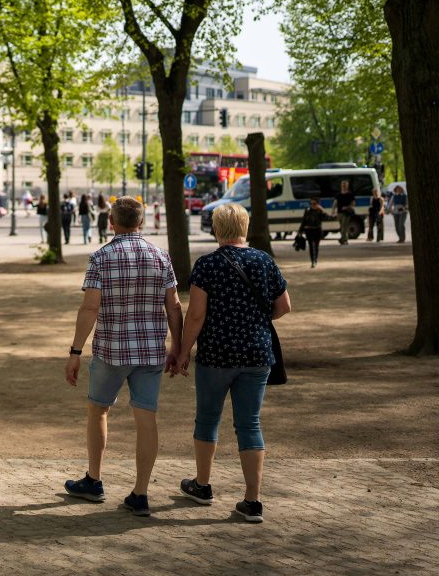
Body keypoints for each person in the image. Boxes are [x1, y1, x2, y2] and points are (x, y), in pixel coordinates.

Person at [64, 196, 183, 517]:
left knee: (98, 410)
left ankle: (94, 479)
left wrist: (75, 351)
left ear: (112, 223)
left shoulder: (101, 257)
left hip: (112, 351)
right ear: (141, 223)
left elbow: (90, 307)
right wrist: (179, 348)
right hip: (150, 351)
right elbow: (173, 305)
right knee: (146, 417)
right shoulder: (160, 256)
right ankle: (141, 493)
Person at [176, 202, 290, 524]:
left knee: (207, 420)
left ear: (216, 228)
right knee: (249, 423)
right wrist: (256, 320)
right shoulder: (264, 261)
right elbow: (284, 306)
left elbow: (196, 315)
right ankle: (252, 501)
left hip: (216, 354)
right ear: (245, 227)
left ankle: (202, 485)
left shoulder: (207, 265)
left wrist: (184, 352)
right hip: (256, 355)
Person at [296, 198, 325, 268]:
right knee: (311, 246)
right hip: (309, 231)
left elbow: (326, 217)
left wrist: (322, 210)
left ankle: (315, 259)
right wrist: (300, 231)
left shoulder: (319, 211)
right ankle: (313, 261)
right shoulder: (307, 210)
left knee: (316, 246)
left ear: (317, 204)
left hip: (317, 230)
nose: (312, 205)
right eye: (311, 203)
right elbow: (303, 221)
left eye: (314, 204)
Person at [333, 180, 355, 245]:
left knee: (344, 227)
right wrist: (333, 211)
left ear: (347, 186)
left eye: (345, 185)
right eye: (342, 185)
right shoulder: (338, 194)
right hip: (339, 213)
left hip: (346, 213)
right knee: (341, 227)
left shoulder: (350, 194)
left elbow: (353, 204)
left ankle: (343, 239)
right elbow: (335, 203)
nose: (343, 186)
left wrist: (347, 207)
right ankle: (345, 239)